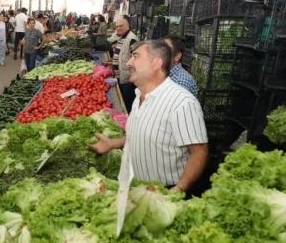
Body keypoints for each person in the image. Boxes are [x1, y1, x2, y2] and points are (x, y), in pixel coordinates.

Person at [89, 40, 208, 191]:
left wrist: (178, 189)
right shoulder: (139, 95)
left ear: (156, 64)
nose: (128, 62)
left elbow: (199, 153)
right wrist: (113, 143)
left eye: (136, 56)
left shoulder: (181, 102)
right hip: (138, 187)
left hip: (165, 192)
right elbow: (149, 135)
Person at [110, 18, 138, 112]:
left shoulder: (131, 39)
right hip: (122, 78)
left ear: (128, 25)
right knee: (124, 102)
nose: (118, 28)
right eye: (117, 26)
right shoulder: (123, 37)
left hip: (128, 80)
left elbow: (136, 59)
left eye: (121, 26)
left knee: (128, 104)